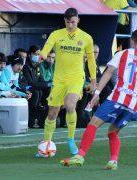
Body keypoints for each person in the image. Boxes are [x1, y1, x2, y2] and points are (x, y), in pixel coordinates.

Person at [60, 29, 137, 169]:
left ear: (131, 40)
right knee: (113, 131)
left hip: (118, 97)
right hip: (133, 104)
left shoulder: (122, 54)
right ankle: (113, 161)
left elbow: (108, 72)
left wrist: (97, 93)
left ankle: (79, 156)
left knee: (93, 124)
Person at [36, 7, 96, 157]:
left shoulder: (86, 38)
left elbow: (91, 61)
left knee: (70, 105)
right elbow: (47, 48)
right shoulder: (56, 34)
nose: (70, 25)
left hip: (76, 78)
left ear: (78, 20)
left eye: (73, 22)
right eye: (68, 22)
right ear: (65, 20)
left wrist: (93, 81)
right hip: (59, 79)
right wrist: (43, 55)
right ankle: (46, 144)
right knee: (52, 113)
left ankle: (71, 140)